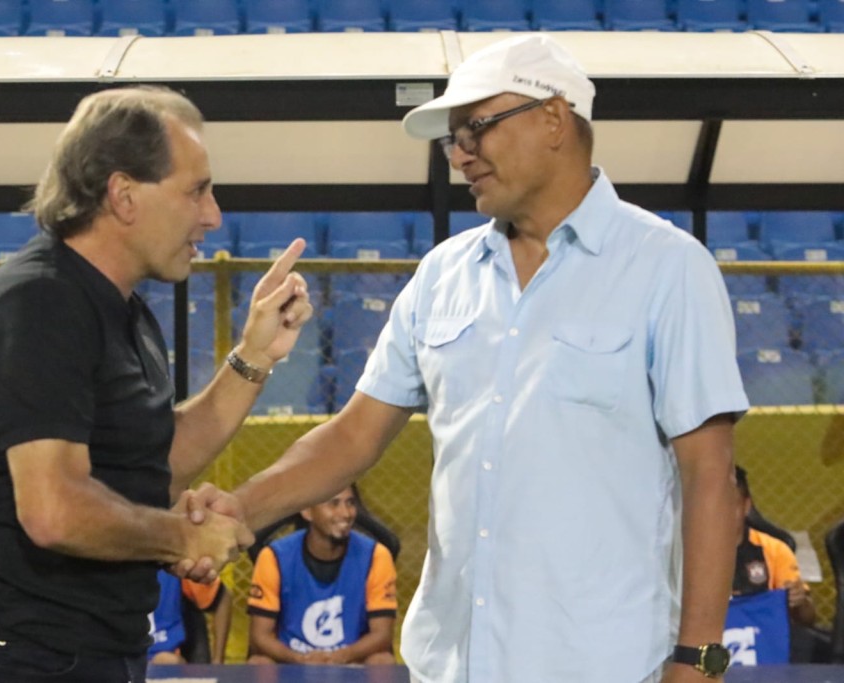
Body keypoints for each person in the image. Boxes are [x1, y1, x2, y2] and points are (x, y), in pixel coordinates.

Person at [190, 34, 750, 683]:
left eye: (476, 128)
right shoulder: (441, 276)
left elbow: (711, 476)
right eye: (452, 137)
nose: (460, 154)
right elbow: (352, 436)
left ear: (554, 118)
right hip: (450, 665)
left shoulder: (668, 268)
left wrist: (700, 659)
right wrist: (240, 510)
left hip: (606, 666)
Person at [0, 86, 313, 683]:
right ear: (123, 195)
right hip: (19, 650)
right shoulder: (38, 302)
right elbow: (54, 510)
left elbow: (150, 469)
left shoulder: (120, 308)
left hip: (84, 647)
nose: (213, 215)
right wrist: (179, 537)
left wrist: (255, 355)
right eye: (196, 189)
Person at [246, 485, 397, 665]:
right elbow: (260, 636)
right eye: (334, 504)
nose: (346, 513)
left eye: (350, 503)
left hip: (351, 660)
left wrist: (336, 657)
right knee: (259, 663)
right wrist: (300, 659)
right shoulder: (274, 556)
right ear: (307, 511)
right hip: (292, 661)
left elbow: (382, 635)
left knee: (382, 661)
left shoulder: (376, 555)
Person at [731, 466, 815, 626]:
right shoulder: (685, 552)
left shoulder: (775, 550)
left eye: (730, 505)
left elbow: (807, 619)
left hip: (760, 641)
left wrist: (799, 601)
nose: (722, 514)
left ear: (746, 506)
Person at [148, 573, 231, 665]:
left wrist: (217, 660)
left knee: (168, 660)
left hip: (165, 656)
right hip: (133, 656)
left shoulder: (174, 568)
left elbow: (222, 596)